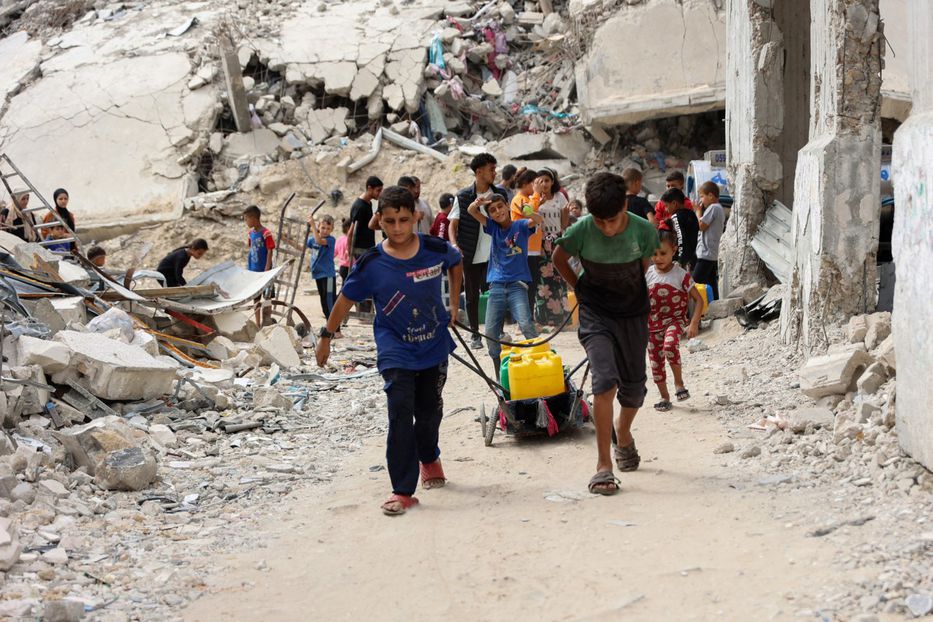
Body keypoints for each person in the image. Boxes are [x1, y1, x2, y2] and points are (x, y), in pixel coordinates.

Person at [315, 186, 463, 517]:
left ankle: (429, 456)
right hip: (394, 347)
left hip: (433, 343)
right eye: (391, 221)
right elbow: (345, 299)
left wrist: (454, 302)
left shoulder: (435, 249)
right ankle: (402, 489)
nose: (397, 228)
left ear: (416, 217)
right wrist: (326, 335)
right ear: (379, 220)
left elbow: (456, 262)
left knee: (428, 411)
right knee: (399, 410)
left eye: (404, 220)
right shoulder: (371, 264)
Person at [552, 172, 659, 496]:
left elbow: (645, 266)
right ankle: (603, 467)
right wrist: (580, 287)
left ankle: (622, 433)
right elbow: (559, 257)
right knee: (604, 381)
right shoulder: (581, 229)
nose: (607, 228)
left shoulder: (644, 231)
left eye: (612, 220)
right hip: (595, 315)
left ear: (625, 205)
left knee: (634, 389)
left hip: (632, 315)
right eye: (600, 222)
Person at [468, 194, 541, 372]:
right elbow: (471, 211)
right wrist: (479, 203)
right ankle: (499, 371)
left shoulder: (520, 225)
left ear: (507, 206)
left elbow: (538, 220)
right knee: (491, 333)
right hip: (496, 286)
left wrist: (528, 211)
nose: (498, 211)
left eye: (500, 206)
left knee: (526, 324)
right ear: (490, 215)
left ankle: (539, 361)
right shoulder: (492, 227)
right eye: (492, 210)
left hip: (517, 285)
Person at [449, 153, 508, 349]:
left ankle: (496, 331)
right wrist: (455, 244)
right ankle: (475, 334)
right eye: (491, 169)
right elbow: (453, 225)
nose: (495, 172)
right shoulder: (464, 196)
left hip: (495, 254)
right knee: (473, 296)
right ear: (479, 171)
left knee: (496, 293)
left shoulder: (499, 194)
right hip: (471, 253)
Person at [646, 231, 702, 412]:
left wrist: (693, 323)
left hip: (674, 321)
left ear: (673, 250)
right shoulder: (647, 274)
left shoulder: (681, 275)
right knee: (655, 363)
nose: (658, 258)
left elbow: (699, 300)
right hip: (651, 326)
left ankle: (679, 384)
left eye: (663, 253)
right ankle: (664, 396)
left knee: (669, 346)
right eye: (654, 254)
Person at [534, 168, 571, 327]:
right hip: (540, 243)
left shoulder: (560, 197)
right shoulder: (534, 198)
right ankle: (543, 318)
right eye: (540, 180)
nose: (544, 184)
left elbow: (564, 221)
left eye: (547, 180)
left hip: (556, 240)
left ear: (552, 182)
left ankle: (561, 319)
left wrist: (560, 236)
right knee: (543, 281)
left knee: (559, 277)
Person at [509, 168, 541, 313]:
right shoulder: (518, 199)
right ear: (527, 183)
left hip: (532, 248)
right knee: (525, 285)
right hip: (523, 248)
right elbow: (528, 212)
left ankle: (530, 318)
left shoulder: (528, 199)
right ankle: (522, 319)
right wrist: (537, 194)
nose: (536, 187)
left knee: (532, 284)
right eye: (534, 183)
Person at [693, 181, 725, 300]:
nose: (701, 200)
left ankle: (695, 309)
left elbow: (701, 226)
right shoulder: (718, 208)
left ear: (711, 196)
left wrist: (697, 211)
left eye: (702, 196)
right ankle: (715, 306)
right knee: (711, 283)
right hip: (711, 253)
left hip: (706, 254)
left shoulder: (713, 207)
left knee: (694, 283)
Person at [244, 205, 276, 326]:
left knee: (267, 297)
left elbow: (270, 250)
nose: (246, 221)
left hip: (265, 271)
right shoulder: (250, 233)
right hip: (254, 271)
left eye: (247, 219)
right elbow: (251, 249)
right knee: (256, 298)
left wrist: (267, 268)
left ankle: (266, 321)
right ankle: (258, 324)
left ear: (254, 218)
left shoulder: (266, 233)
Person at [307, 213, 338, 321]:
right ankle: (329, 327)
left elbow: (319, 241)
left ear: (332, 230)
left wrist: (312, 226)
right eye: (323, 227)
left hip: (328, 275)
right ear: (319, 226)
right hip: (318, 274)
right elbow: (302, 247)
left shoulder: (331, 240)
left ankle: (336, 330)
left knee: (330, 301)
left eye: (328, 228)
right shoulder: (312, 239)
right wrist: (286, 239)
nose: (325, 230)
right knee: (323, 301)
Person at [661, 188, 699, 271]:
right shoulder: (691, 213)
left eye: (666, 206)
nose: (666, 209)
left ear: (674, 203)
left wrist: (680, 260)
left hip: (683, 262)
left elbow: (681, 238)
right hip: (693, 258)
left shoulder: (676, 217)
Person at [347, 176, 383, 261]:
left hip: (368, 248)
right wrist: (349, 252)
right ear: (369, 188)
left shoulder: (368, 203)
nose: (380, 193)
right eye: (378, 190)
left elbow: (369, 225)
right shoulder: (359, 206)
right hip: (360, 250)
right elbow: (351, 232)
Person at [335, 218, 352, 286]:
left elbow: (334, 252)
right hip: (350, 266)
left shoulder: (339, 239)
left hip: (342, 267)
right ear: (349, 228)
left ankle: (341, 295)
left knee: (344, 284)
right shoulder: (351, 240)